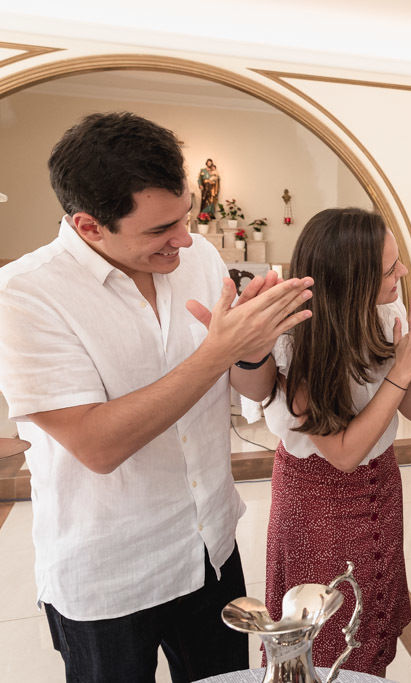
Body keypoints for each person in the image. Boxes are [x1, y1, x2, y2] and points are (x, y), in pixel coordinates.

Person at [0, 112, 314, 682]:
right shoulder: (25, 294)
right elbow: (97, 445)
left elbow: (253, 387)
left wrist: (251, 352)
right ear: (89, 225)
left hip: (210, 546)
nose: (184, 239)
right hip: (109, 571)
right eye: (160, 230)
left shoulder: (199, 258)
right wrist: (218, 352)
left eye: (186, 216)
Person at [240, 208, 411, 675]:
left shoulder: (386, 312)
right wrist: (402, 369)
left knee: (372, 617)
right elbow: (343, 454)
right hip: (316, 499)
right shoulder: (296, 338)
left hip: (380, 483)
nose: (401, 273)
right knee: (324, 634)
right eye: (389, 269)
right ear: (350, 281)